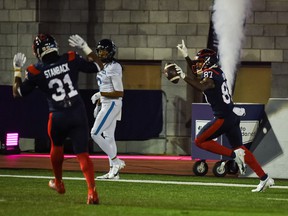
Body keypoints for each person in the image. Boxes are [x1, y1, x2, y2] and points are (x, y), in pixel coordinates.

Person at [12, 33, 104, 204]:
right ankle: (92, 192)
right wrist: (85, 47)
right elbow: (99, 66)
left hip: (57, 115)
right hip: (77, 112)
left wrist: (17, 69)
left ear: (38, 51)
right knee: (83, 154)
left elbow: (18, 93)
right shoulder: (70, 58)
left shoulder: (35, 71)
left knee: (56, 146)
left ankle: (59, 183)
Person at [175, 40, 275, 192]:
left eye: (201, 61)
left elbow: (201, 85)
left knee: (200, 140)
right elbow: (198, 74)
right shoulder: (217, 71)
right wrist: (187, 56)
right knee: (242, 149)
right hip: (232, 115)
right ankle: (264, 177)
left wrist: (183, 75)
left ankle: (233, 155)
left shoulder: (210, 75)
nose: (199, 65)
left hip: (223, 118)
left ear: (208, 62)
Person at [90, 39, 125, 180]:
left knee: (94, 133)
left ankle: (116, 162)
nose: (102, 54)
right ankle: (113, 173)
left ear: (111, 51)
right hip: (106, 103)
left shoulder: (114, 67)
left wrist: (100, 95)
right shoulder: (105, 66)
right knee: (109, 137)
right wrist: (99, 103)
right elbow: (105, 87)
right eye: (100, 51)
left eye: (105, 51)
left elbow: (119, 92)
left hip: (112, 103)